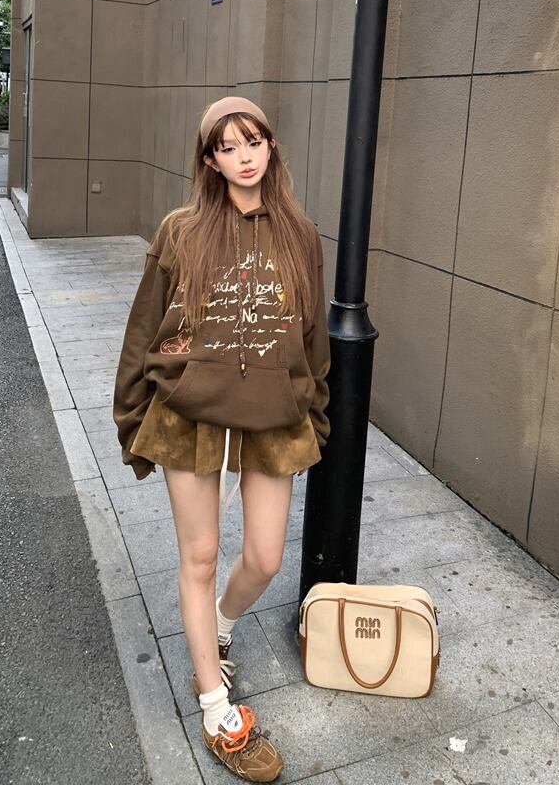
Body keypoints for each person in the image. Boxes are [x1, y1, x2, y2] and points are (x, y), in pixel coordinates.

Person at [113, 96, 331, 782]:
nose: (244, 156)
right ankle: (215, 706)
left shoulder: (300, 235)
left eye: (254, 141)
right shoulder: (182, 231)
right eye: (228, 146)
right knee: (200, 553)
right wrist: (132, 414)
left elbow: (314, 338)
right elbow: (144, 327)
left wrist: (314, 409)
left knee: (264, 557)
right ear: (209, 160)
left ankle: (222, 624)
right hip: (189, 411)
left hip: (273, 411)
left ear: (271, 147)